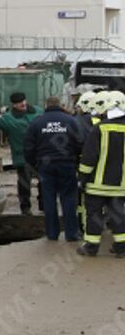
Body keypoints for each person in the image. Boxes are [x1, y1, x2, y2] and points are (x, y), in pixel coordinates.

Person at [24, 96, 83, 241]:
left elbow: (28, 147)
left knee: (49, 199)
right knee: (69, 199)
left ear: (45, 105)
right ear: (60, 105)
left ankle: (52, 234)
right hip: (67, 164)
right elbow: (80, 143)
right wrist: (76, 161)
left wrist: (34, 165)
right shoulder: (71, 121)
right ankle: (71, 234)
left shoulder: (37, 122)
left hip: (45, 166)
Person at [77, 91, 125, 257]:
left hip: (97, 185)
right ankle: (121, 248)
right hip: (120, 185)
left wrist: (82, 179)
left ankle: (91, 247)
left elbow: (89, 157)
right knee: (118, 215)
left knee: (94, 215)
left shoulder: (100, 128)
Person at [0, 92, 44, 215]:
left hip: (40, 155)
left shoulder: (38, 111)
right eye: (19, 103)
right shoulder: (8, 118)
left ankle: (44, 205)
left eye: (23, 101)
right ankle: (25, 208)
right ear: (14, 105)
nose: (22, 104)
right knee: (24, 184)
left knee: (44, 182)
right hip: (22, 156)